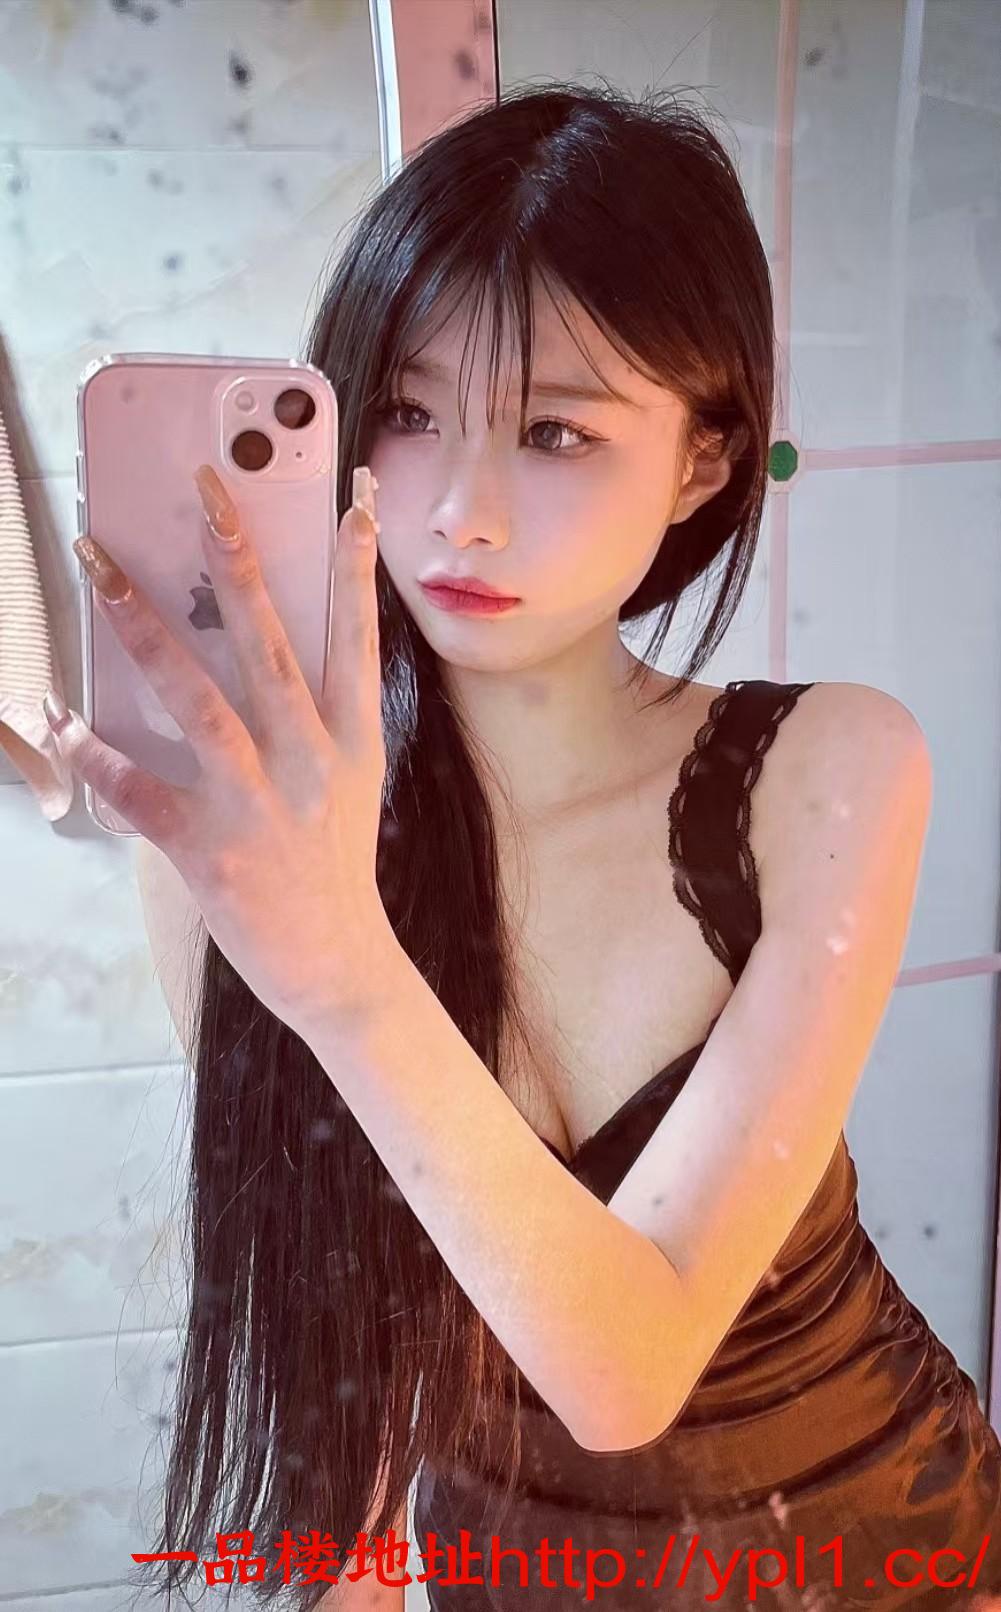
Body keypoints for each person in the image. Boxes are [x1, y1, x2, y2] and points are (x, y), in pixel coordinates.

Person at [113, 82, 1001, 1610]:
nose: (459, 512)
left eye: (553, 432)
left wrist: (342, 973)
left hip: (885, 1541)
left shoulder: (825, 769)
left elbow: (624, 1367)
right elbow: (337, 1323)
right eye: (406, 413)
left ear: (702, 462)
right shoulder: (247, 840)